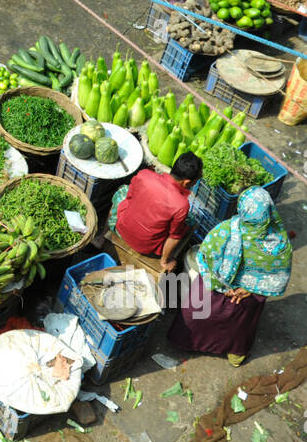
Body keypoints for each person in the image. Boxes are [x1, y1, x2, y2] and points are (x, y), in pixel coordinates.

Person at [168, 187, 292, 367]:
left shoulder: (226, 230)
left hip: (216, 290)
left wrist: (224, 285)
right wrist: (249, 289)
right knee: (239, 326)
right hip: (248, 297)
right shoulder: (280, 243)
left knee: (195, 314)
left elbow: (205, 255)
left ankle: (186, 342)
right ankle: (235, 354)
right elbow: (278, 276)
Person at [107, 153, 203, 273]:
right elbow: (174, 237)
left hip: (121, 228)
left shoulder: (144, 175)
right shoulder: (181, 205)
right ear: (187, 182)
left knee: (123, 190)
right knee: (190, 220)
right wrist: (165, 261)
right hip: (145, 247)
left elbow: (129, 198)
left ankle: (109, 224)